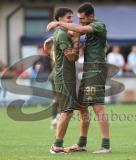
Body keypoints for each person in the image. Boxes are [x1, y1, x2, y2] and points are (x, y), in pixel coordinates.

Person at [47, 2, 111, 153]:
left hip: (97, 69)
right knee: (82, 106)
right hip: (89, 71)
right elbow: (72, 32)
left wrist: (58, 22)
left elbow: (80, 29)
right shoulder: (87, 27)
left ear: (91, 16)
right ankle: (81, 143)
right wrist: (53, 38)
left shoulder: (98, 25)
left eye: (82, 19)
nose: (79, 21)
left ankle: (106, 145)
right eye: (78, 19)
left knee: (98, 106)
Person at [48, 7, 80, 154]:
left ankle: (58, 144)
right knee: (67, 111)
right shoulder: (61, 34)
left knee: (67, 111)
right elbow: (72, 57)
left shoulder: (62, 33)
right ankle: (56, 146)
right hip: (63, 77)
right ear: (59, 20)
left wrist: (74, 40)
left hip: (66, 76)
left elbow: (74, 57)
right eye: (68, 18)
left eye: (71, 18)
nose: (71, 20)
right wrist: (76, 40)